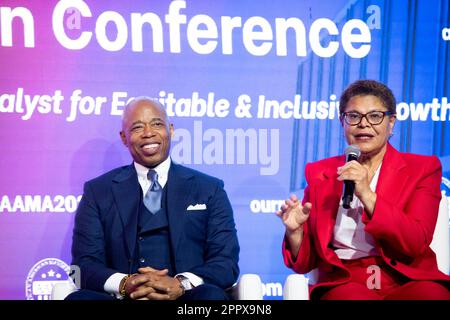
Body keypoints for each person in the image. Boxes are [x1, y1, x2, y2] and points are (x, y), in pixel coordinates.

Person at [276, 80, 450, 300]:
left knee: (431, 296)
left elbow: (414, 242)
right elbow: (305, 264)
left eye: (375, 116)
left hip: (407, 277)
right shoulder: (321, 172)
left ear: (391, 122)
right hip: (347, 279)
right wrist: (295, 232)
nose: (363, 124)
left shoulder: (422, 169)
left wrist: (367, 194)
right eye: (354, 116)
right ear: (343, 122)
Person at [67, 97, 239, 300]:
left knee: (211, 297)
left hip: (186, 297)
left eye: (157, 124)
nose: (148, 133)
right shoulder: (98, 191)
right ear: (124, 137)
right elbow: (82, 266)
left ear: (171, 129)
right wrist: (125, 284)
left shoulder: (209, 189)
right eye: (137, 127)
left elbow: (225, 262)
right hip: (125, 298)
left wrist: (180, 284)